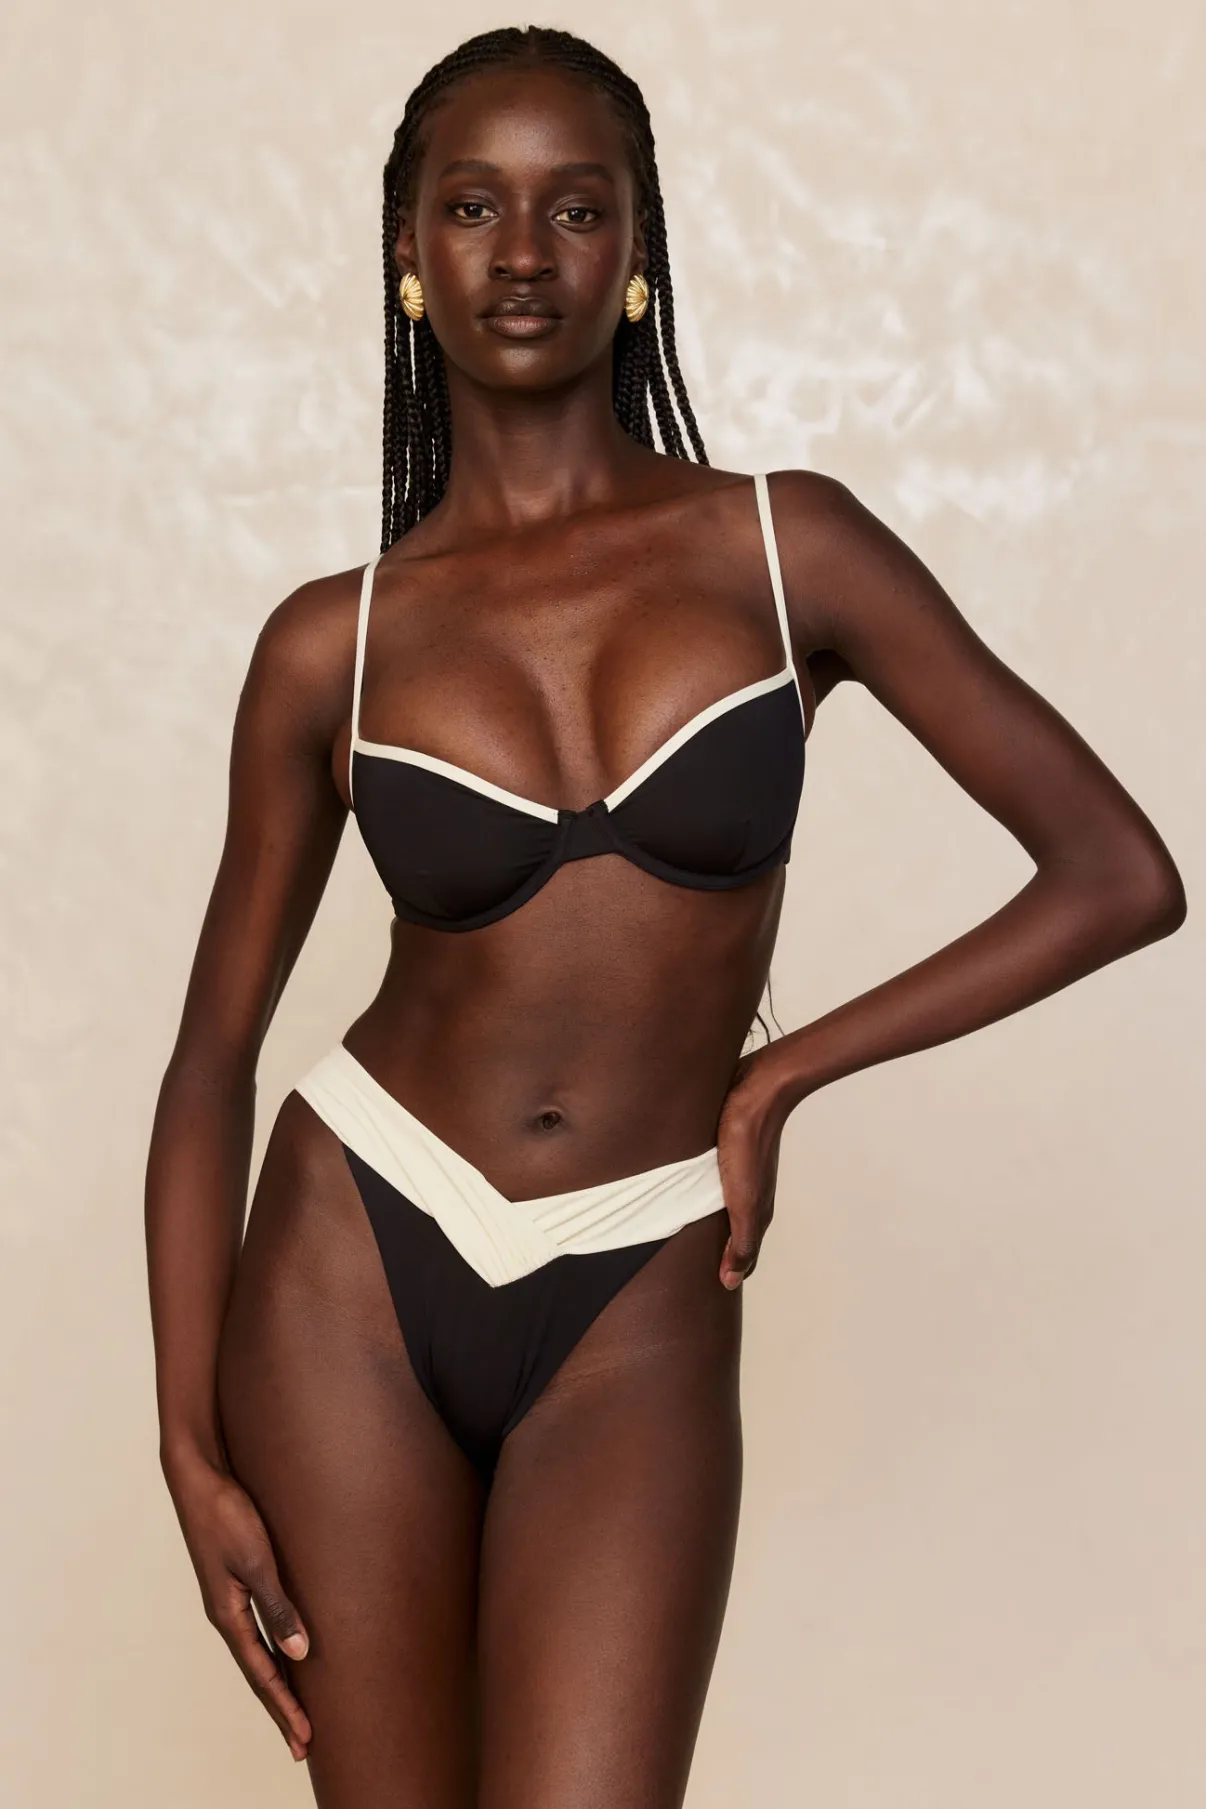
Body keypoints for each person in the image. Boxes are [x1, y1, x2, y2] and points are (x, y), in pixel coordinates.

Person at [143, 25, 1185, 1808]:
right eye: (471, 206)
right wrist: (186, 1444)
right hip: (352, 1263)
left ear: (636, 254)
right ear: (408, 252)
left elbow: (1117, 874)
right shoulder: (334, 642)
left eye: (575, 208)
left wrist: (781, 1076)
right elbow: (209, 1058)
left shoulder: (788, 550)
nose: (521, 253)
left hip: (639, 1266)